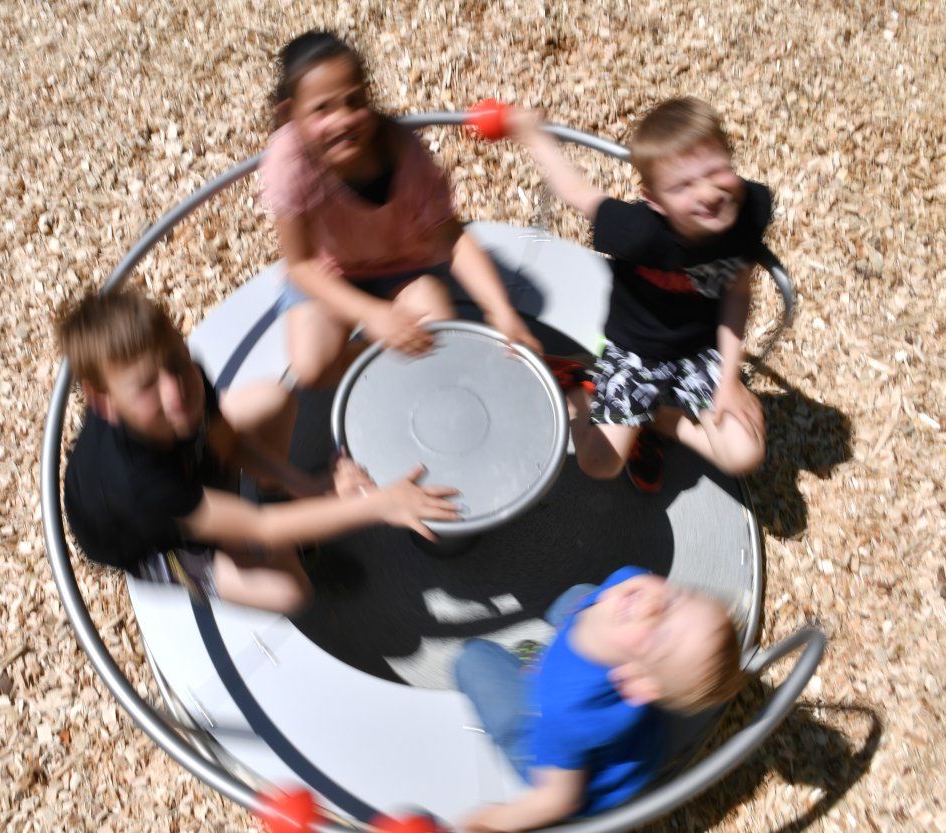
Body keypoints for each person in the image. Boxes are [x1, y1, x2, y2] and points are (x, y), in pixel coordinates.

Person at [57, 289, 458, 614]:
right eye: (146, 386)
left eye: (178, 363)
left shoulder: (182, 381)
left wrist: (305, 487)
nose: (176, 393)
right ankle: (192, 570)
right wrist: (382, 505)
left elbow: (228, 441)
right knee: (290, 591)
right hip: (154, 539)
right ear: (103, 401)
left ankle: (277, 499)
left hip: (182, 476)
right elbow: (259, 527)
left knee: (273, 400)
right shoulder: (134, 483)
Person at [506, 98, 769, 492]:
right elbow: (578, 193)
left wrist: (729, 378)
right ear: (654, 201)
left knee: (744, 455)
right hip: (636, 349)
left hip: (701, 349)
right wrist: (534, 137)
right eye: (683, 185)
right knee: (599, 464)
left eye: (717, 171)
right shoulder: (640, 232)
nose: (709, 193)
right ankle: (581, 393)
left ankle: (663, 420)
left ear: (732, 160)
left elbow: (737, 290)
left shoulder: (748, 211)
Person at [259, 31, 541, 389]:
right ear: (291, 115)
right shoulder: (288, 159)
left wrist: (500, 310)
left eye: (354, 101)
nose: (343, 120)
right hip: (330, 272)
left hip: (402, 269)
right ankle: (377, 364)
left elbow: (451, 238)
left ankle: (410, 385)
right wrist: (373, 315)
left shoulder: (405, 154)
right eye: (322, 109)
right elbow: (300, 266)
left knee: (436, 336)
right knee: (312, 368)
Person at [455, 567, 743, 831]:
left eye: (659, 638)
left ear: (636, 681)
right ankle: (549, 653)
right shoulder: (629, 585)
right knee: (576, 597)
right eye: (674, 600)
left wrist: (488, 823)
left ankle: (534, 665)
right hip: (634, 740)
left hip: (570, 766)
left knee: (472, 660)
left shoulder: (568, 711)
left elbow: (558, 799)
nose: (653, 607)